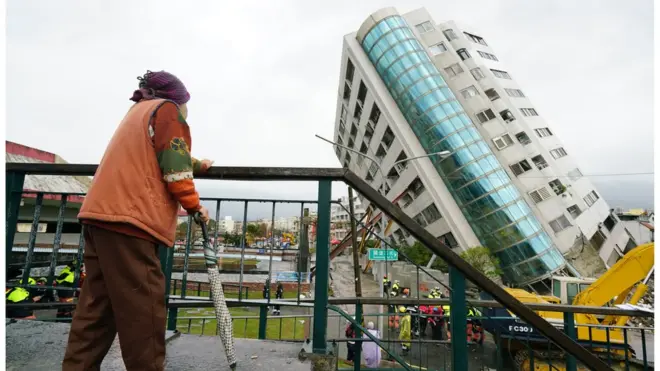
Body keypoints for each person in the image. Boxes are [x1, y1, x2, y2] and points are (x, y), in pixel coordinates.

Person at [62, 70, 213, 371]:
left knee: (96, 311)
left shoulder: (137, 113)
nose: (187, 110)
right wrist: (195, 206)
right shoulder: (168, 110)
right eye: (187, 104)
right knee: (144, 315)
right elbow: (174, 169)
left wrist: (197, 163)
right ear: (178, 99)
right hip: (130, 223)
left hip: (99, 216)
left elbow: (162, 151)